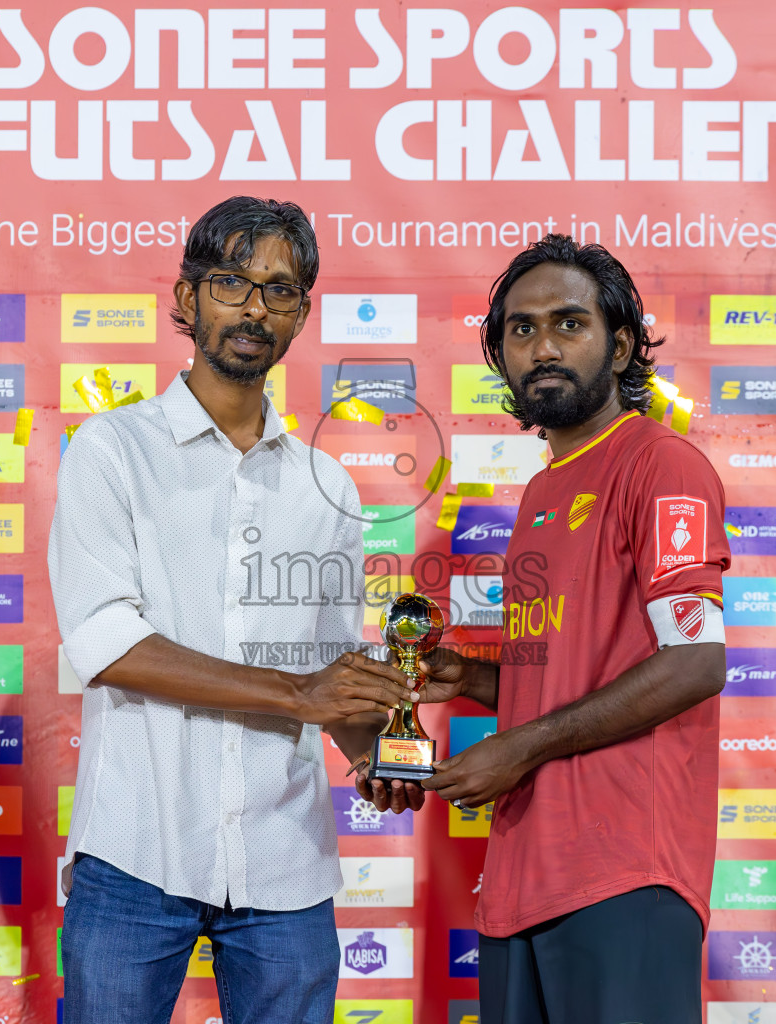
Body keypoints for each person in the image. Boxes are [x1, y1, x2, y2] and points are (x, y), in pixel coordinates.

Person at [50, 195, 419, 1024]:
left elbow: (332, 674)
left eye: (280, 290)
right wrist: (299, 696)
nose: (255, 307)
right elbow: (108, 641)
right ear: (187, 301)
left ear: (299, 317)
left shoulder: (326, 487)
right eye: (232, 282)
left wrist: (380, 753)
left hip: (283, 859)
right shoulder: (111, 451)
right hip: (135, 851)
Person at [419, 235, 731, 1023]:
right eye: (520, 331)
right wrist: (476, 681)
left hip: (622, 875)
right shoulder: (543, 492)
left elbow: (694, 661)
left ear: (620, 343)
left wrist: (518, 747)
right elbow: (576, 673)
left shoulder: (661, 465)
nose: (543, 346)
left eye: (568, 323)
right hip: (525, 876)